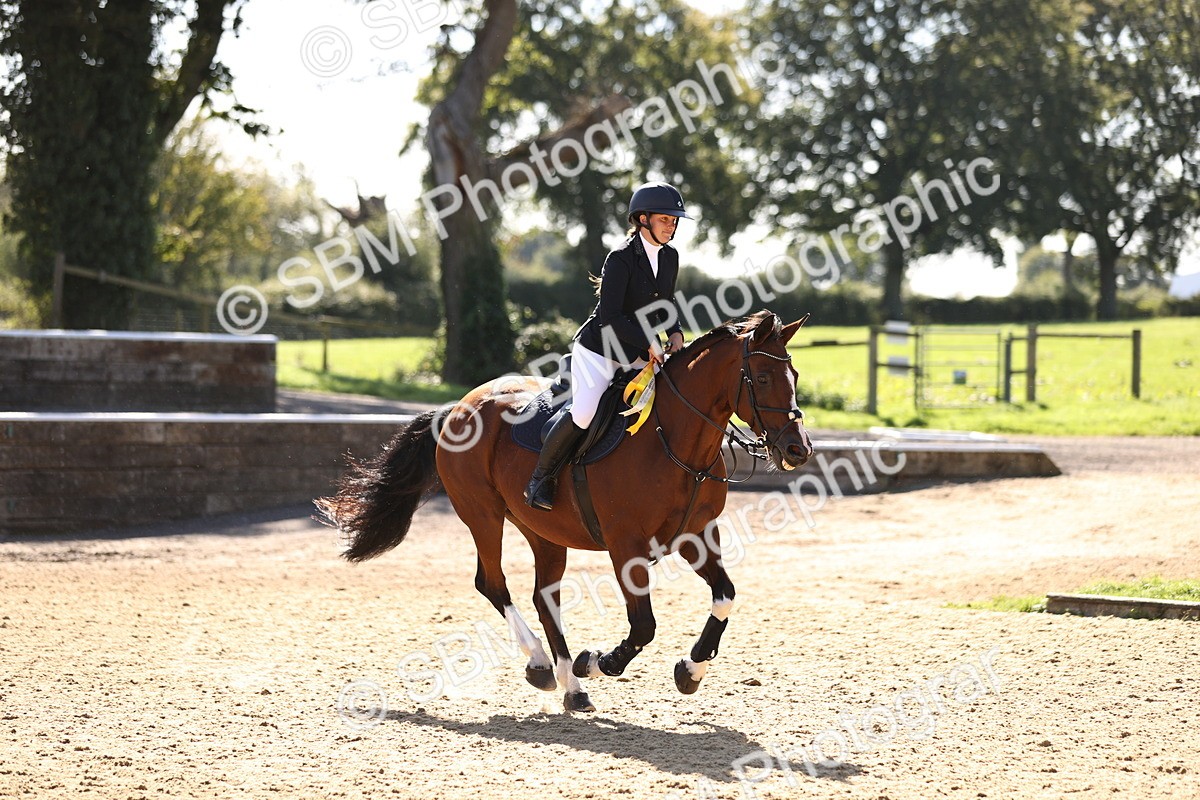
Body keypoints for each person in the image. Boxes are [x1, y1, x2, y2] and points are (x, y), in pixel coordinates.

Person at [524, 181, 690, 511]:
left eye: (674, 221)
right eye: (665, 220)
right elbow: (611, 317)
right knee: (585, 413)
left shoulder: (670, 257)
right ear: (642, 220)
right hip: (600, 350)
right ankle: (540, 479)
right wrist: (649, 345)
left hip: (639, 351)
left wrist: (674, 334)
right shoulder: (621, 259)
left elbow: (666, 302)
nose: (671, 227)